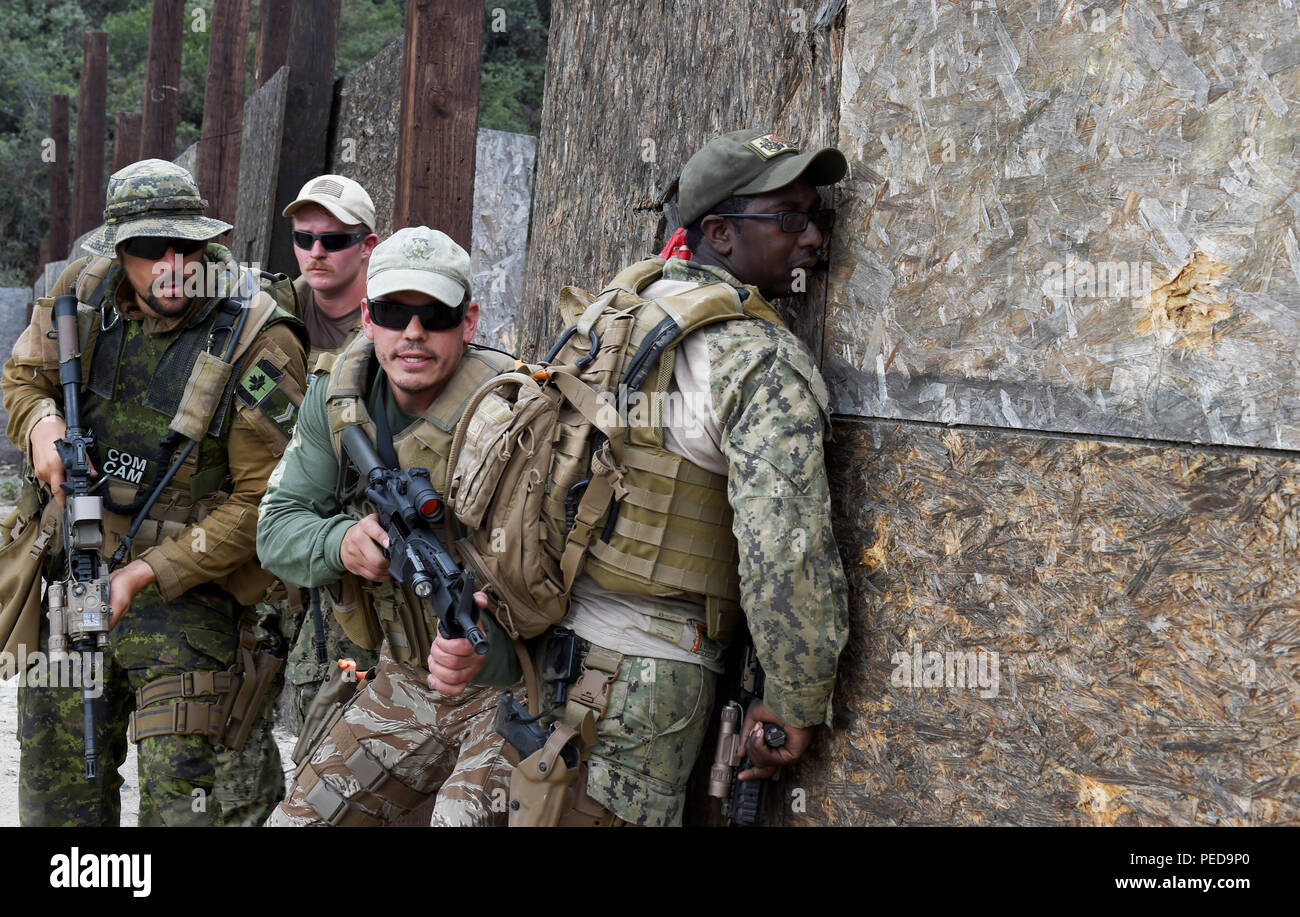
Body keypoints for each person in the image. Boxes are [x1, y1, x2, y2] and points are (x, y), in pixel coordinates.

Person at [527, 129, 851, 826]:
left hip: (552, 651)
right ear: (721, 234)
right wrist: (795, 700)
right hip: (648, 681)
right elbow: (785, 552)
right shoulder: (755, 358)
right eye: (790, 218)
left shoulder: (620, 308)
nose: (815, 238)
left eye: (820, 215)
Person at [2, 158, 308, 826]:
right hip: (79, 567)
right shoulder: (79, 292)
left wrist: (146, 572)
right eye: (148, 247)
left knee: (187, 802)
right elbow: (22, 378)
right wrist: (42, 424)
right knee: (57, 792)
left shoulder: (258, 335)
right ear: (118, 250)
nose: (172, 262)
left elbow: (266, 502)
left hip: (190, 590)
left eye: (187, 244)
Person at [258, 226, 521, 826]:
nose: (414, 333)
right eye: (395, 312)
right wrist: (341, 542)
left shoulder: (515, 408)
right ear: (368, 317)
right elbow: (274, 529)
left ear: (470, 321)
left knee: (460, 818)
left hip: (511, 681)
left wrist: (491, 648)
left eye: (436, 315)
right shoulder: (337, 398)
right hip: (404, 677)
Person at [279, 174, 381, 725]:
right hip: (276, 520)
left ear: (367, 245)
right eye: (303, 238)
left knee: (339, 707)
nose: (315, 252)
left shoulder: (395, 321)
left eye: (334, 240)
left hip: (354, 539)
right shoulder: (270, 315)